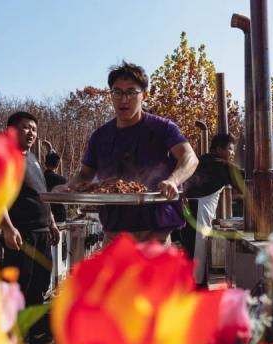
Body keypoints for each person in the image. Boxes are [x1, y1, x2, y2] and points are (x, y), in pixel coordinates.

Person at [66, 61, 199, 244]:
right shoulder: (100, 136)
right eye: (117, 92)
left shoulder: (162, 128)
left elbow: (189, 157)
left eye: (131, 92)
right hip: (114, 236)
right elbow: (85, 175)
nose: (124, 99)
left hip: (155, 237)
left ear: (144, 95)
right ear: (111, 95)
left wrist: (173, 180)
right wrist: (68, 188)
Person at [182, 134, 273, 285]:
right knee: (196, 254)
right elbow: (247, 177)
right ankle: (194, 292)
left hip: (191, 211)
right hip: (198, 211)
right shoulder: (219, 164)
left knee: (192, 253)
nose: (232, 153)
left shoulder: (203, 160)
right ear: (219, 149)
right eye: (230, 149)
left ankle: (191, 288)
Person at [0, 111, 60, 344]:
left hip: (43, 231)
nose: (31, 133)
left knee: (40, 283)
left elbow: (41, 193)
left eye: (34, 129)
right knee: (18, 286)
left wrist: (52, 222)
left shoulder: (32, 158)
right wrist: (8, 227)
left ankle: (34, 333)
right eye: (26, 128)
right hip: (20, 233)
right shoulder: (6, 158)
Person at [43, 152, 68, 223]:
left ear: (45, 163)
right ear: (57, 165)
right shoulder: (62, 180)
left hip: (43, 215)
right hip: (58, 215)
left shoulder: (39, 178)